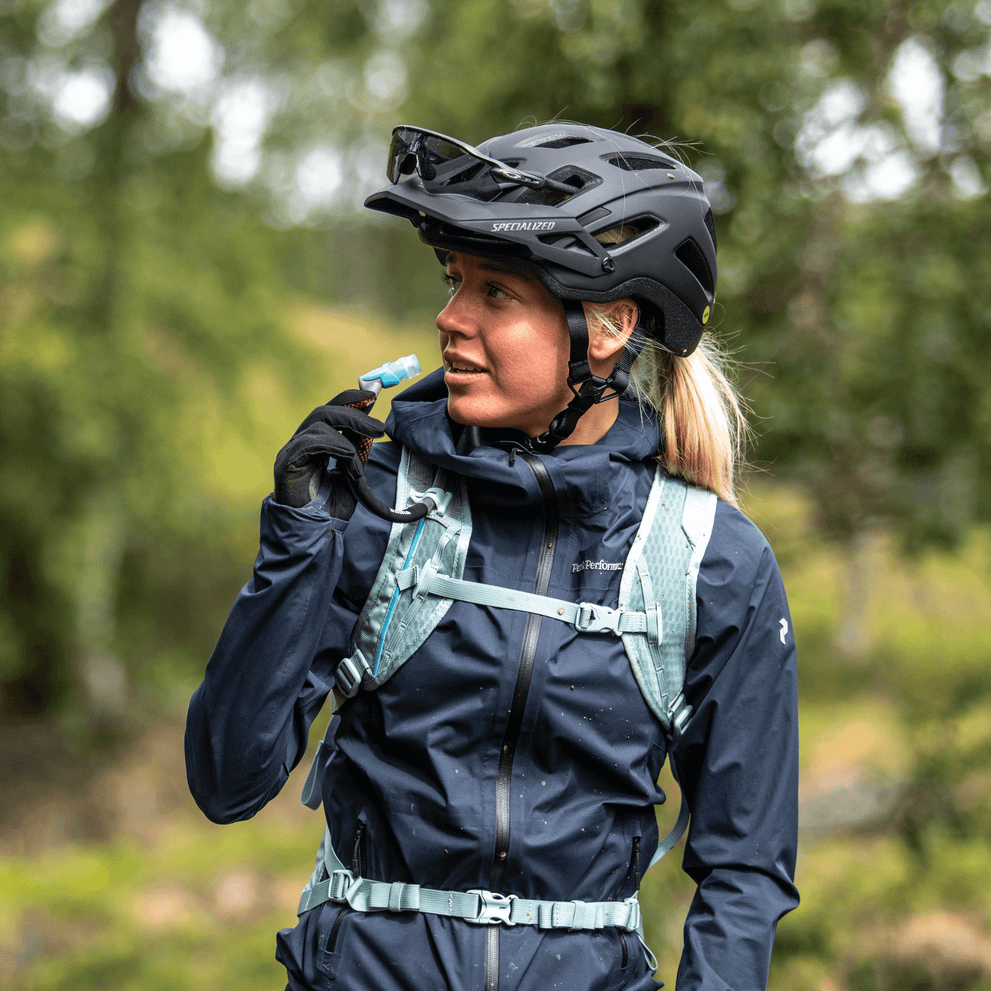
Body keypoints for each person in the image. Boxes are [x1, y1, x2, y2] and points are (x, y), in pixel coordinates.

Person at [185, 122, 799, 991]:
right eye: (452, 281)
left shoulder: (708, 559)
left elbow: (746, 869)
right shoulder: (374, 503)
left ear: (609, 324)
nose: (450, 318)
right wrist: (297, 541)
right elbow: (226, 780)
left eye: (496, 292)